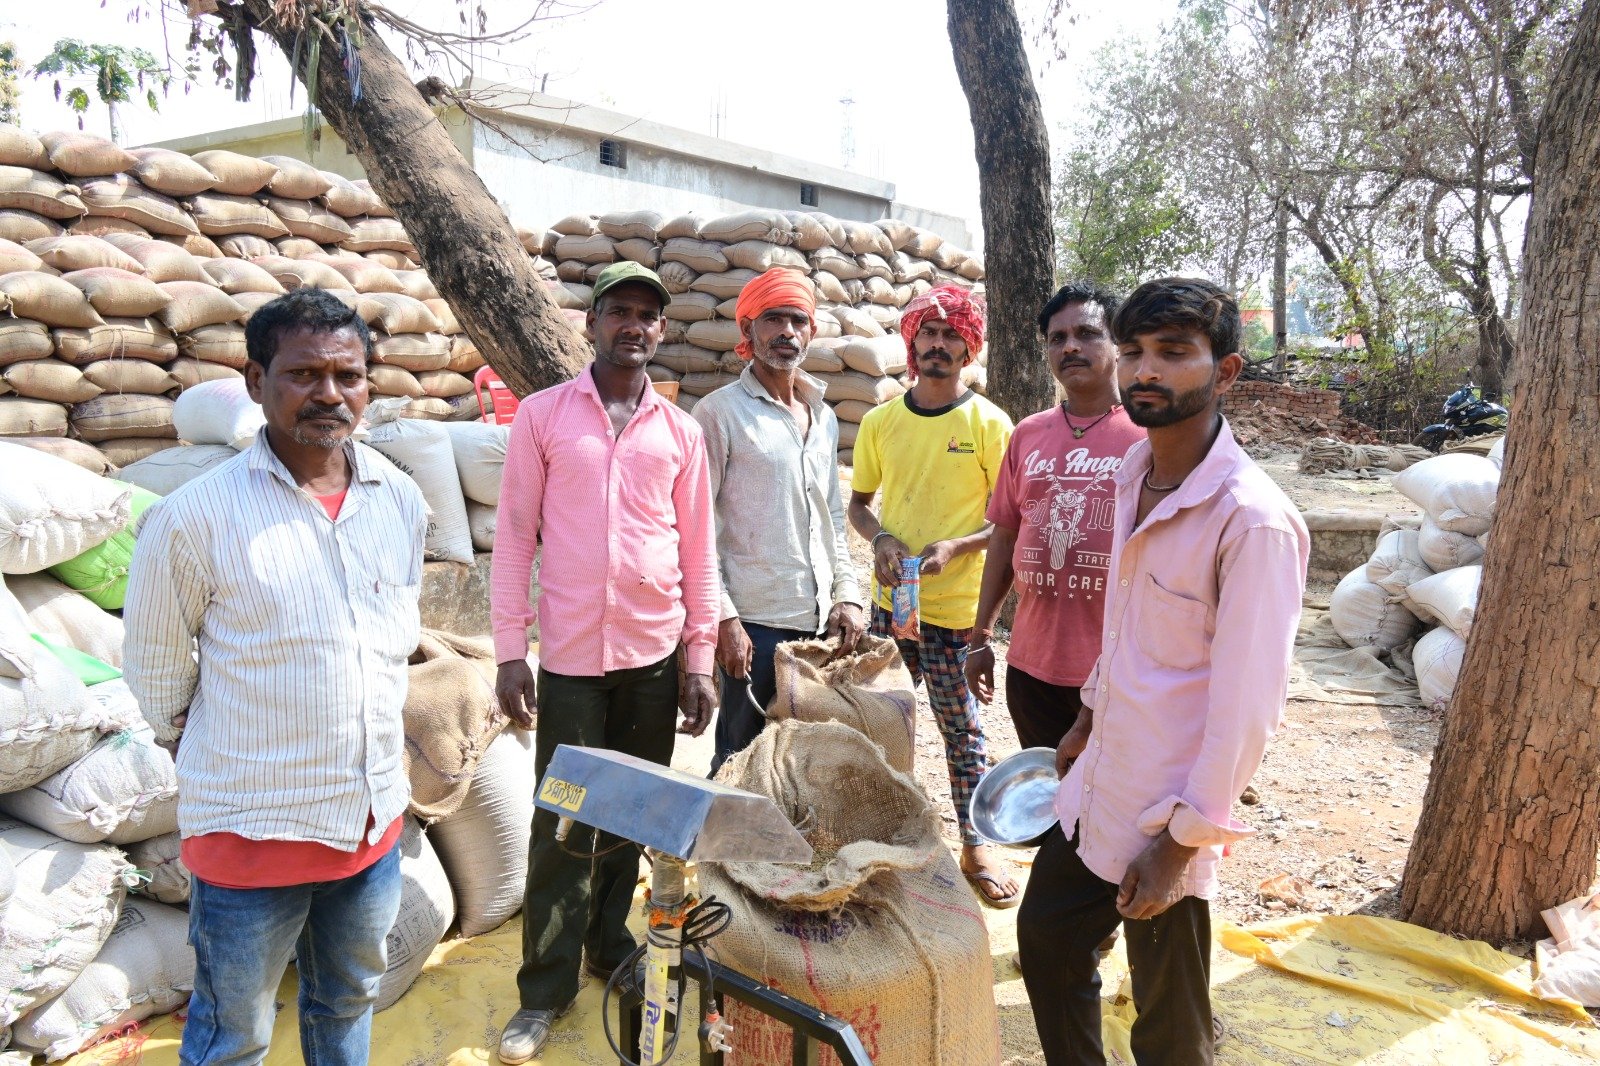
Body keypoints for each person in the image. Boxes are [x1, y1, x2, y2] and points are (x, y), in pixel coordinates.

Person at [124, 287, 428, 1066]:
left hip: (371, 826)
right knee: (236, 1034)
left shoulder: (400, 498)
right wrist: (240, 748)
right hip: (251, 838)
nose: (329, 393)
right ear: (256, 380)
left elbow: (390, 646)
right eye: (302, 374)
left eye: (347, 374)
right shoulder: (191, 517)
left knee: (348, 1000)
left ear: (368, 382)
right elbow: (156, 680)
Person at [1017, 278, 1308, 1065]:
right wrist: (1083, 715)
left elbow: (1248, 712)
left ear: (1227, 371)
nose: (1146, 370)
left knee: (1170, 1021)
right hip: (1101, 778)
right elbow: (1125, 628)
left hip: (1168, 812)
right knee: (1046, 941)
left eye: (1174, 353)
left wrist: (1181, 845)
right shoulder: (1132, 473)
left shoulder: (1252, 520)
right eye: (1137, 350)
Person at [490, 261, 720, 1065]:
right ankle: (543, 990)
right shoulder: (546, 416)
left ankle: (607, 944)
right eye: (618, 311)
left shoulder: (679, 433)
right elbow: (516, 535)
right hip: (574, 660)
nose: (634, 326)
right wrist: (511, 652)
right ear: (591, 325)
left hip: (654, 657)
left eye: (647, 315)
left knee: (629, 813)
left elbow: (700, 551)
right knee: (562, 819)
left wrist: (698, 657)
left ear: (660, 330)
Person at [847, 284, 1019, 907]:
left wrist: (959, 548)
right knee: (876, 724)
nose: (938, 346)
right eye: (929, 334)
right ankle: (876, 841)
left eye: (952, 337)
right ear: (911, 343)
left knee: (960, 728)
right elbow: (860, 506)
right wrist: (883, 540)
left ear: (968, 349)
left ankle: (977, 844)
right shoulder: (880, 421)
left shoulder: (988, 423)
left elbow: (1008, 518)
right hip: (894, 608)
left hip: (957, 613)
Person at [693, 267, 865, 773]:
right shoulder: (720, 413)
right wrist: (724, 618)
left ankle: (786, 855)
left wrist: (848, 594)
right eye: (773, 319)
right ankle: (715, 852)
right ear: (747, 330)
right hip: (754, 622)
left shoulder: (823, 414)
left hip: (819, 625)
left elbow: (832, 512)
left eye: (798, 320)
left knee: (804, 764)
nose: (787, 332)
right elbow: (697, 524)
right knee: (740, 761)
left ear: (812, 331)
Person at [967, 283, 1144, 755]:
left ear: (1117, 345)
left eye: (1087, 333)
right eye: (1056, 337)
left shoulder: (1148, 437)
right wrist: (981, 636)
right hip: (1031, 668)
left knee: (1112, 807)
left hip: (1117, 669)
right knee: (1048, 800)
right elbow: (1005, 536)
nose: (1069, 346)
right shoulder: (1028, 434)